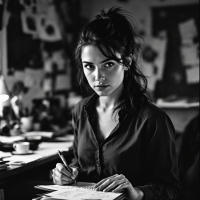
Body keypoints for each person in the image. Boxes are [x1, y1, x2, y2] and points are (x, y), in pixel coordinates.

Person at [52, 7, 180, 200]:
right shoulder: (81, 110)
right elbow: (79, 163)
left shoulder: (152, 120)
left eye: (108, 64)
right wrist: (68, 174)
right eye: (89, 66)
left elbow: (171, 191)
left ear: (127, 62)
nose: (98, 77)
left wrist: (137, 193)